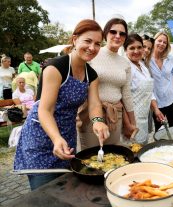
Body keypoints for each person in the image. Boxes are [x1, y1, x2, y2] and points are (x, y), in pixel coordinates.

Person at [14, 19, 110, 191]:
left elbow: (95, 105)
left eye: (97, 43)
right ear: (75, 39)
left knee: (64, 187)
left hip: (66, 133)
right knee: (44, 192)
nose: (92, 48)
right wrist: (56, 138)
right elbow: (45, 109)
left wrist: (98, 121)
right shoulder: (55, 67)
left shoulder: (92, 75)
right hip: (41, 135)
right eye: (87, 41)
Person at [78, 18, 136, 149]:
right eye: (113, 32)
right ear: (105, 33)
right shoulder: (92, 53)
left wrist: (132, 122)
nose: (117, 36)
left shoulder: (125, 63)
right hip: (91, 115)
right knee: (92, 156)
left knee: (114, 154)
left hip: (115, 115)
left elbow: (126, 94)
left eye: (122, 33)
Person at [124, 33, 154, 144]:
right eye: (132, 48)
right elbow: (122, 98)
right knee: (132, 150)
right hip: (131, 119)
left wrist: (156, 109)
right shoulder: (126, 67)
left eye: (139, 47)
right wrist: (128, 124)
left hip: (144, 117)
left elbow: (149, 91)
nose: (136, 51)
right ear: (125, 50)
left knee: (142, 147)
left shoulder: (143, 66)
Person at [149, 31, 173, 131]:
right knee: (159, 129)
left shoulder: (170, 58)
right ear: (154, 41)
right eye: (159, 41)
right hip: (156, 102)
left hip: (171, 99)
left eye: (164, 42)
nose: (162, 44)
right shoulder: (147, 60)